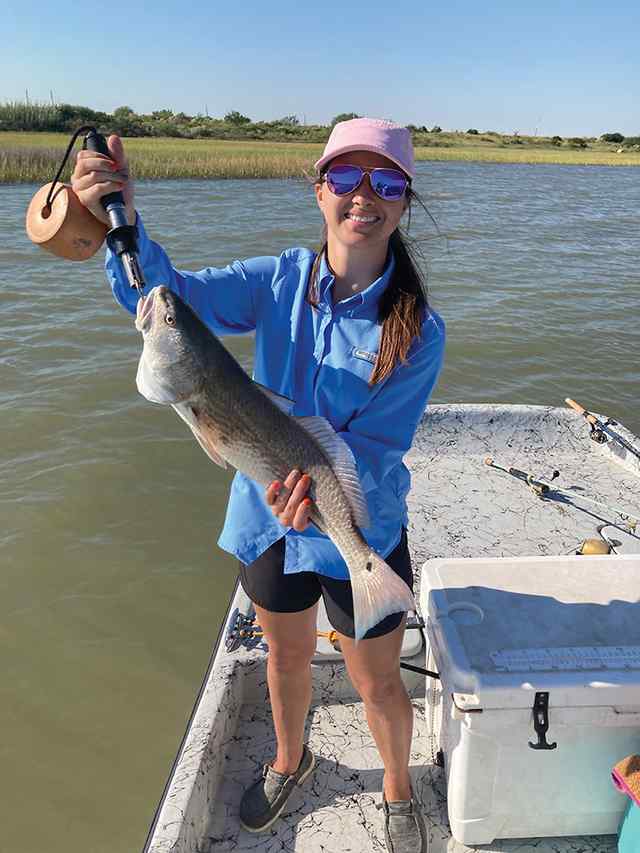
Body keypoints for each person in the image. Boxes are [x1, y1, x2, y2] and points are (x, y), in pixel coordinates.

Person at [72, 117, 445, 853]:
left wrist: (321, 501)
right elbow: (168, 301)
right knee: (284, 656)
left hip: (354, 531)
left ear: (403, 202)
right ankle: (289, 757)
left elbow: (373, 448)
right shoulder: (276, 279)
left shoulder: (418, 330)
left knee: (377, 683)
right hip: (265, 515)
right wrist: (123, 224)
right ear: (319, 190)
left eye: (386, 182)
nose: (363, 197)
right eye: (345, 178)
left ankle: (398, 787)